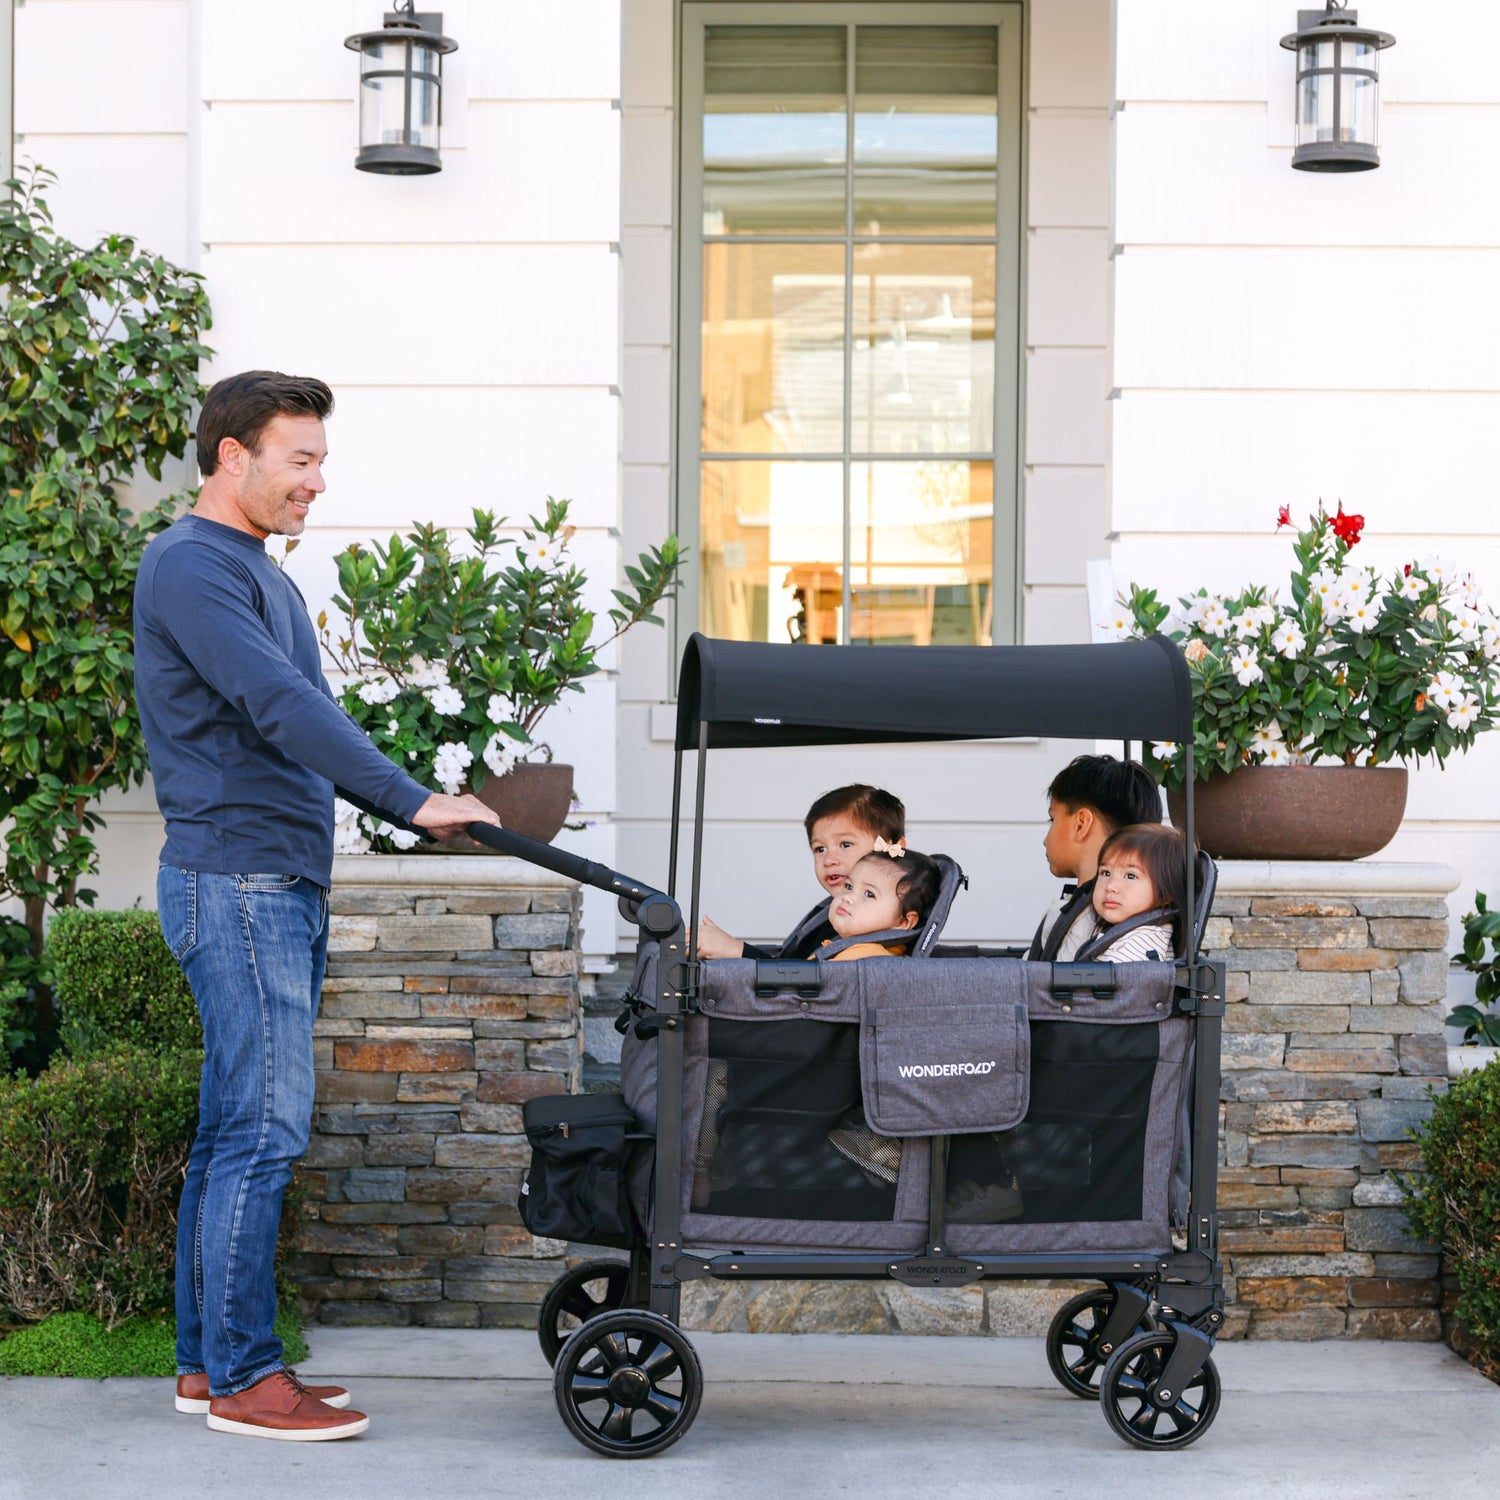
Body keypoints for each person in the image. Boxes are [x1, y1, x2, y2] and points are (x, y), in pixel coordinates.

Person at [134, 370, 501, 1442]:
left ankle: (209, 1364)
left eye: (320, 460)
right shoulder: (193, 566)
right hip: (239, 880)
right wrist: (410, 800)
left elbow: (302, 711)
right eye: (301, 459)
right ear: (232, 456)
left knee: (229, 1133)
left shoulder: (248, 570)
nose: (317, 480)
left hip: (267, 879)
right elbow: (282, 705)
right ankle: (249, 1382)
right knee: (261, 1131)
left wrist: (399, 803)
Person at [696, 784, 906, 960]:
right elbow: (792, 965)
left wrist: (737, 950)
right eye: (820, 849)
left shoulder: (875, 927)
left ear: (892, 849)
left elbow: (805, 983)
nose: (829, 860)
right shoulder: (832, 915)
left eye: (845, 844)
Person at [1025, 755, 1162, 961]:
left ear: (1081, 824)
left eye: (1052, 819)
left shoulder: (1094, 923)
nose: (1045, 840)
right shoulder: (1093, 911)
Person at [1081, 823, 1190, 962]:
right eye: (1106, 872)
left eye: (1130, 876)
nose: (1111, 886)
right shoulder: (1125, 931)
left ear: (1166, 894)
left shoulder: (1143, 942)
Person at [816, 843, 941, 960]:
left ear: (903, 922)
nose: (847, 897)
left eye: (869, 894)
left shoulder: (863, 959)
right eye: (848, 886)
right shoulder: (851, 947)